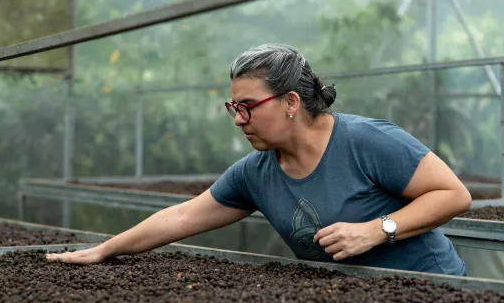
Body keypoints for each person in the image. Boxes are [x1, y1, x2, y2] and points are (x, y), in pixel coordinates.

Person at [47, 43, 470, 276]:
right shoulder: (257, 173)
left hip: (432, 290)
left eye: (248, 105)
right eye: (234, 108)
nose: (239, 120)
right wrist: (105, 250)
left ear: (290, 101)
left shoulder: (365, 140)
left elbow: (453, 195)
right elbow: (181, 217)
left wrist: (378, 230)